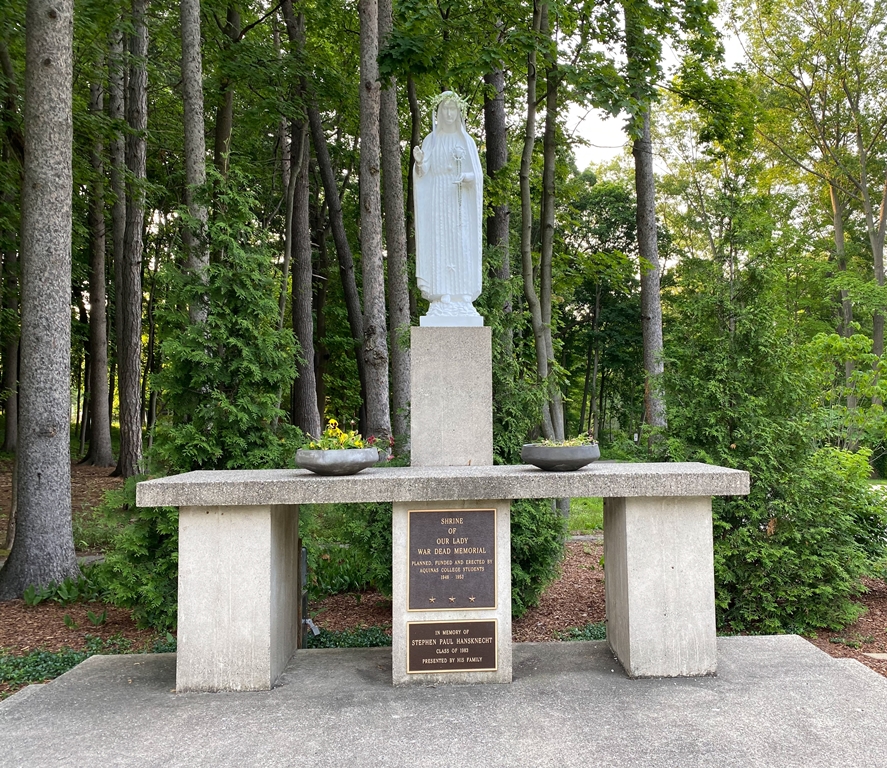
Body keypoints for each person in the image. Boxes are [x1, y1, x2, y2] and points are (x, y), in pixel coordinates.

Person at [413, 91, 484, 326]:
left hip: (459, 198)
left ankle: (462, 291)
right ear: (439, 112)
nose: (450, 113)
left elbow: (478, 176)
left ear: (459, 112)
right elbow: (423, 173)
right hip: (439, 197)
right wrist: (421, 162)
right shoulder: (431, 140)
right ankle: (442, 291)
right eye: (446, 109)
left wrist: (467, 177)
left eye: (454, 109)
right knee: (441, 242)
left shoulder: (467, 142)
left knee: (460, 242)